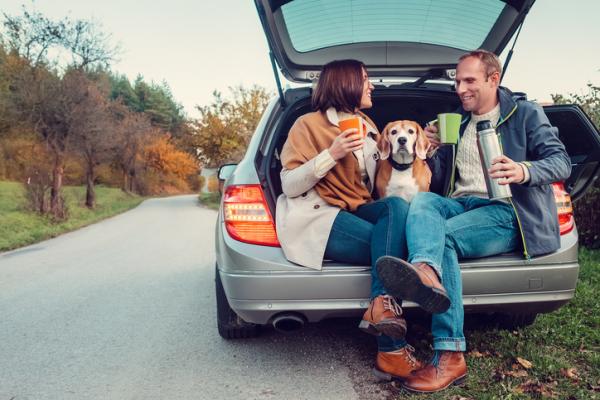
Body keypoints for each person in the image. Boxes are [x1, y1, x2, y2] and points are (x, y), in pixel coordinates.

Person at [375, 49, 571, 393]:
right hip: (461, 204)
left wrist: (524, 170)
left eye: (469, 81)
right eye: (457, 81)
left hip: (507, 210)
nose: (460, 89)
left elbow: (561, 162)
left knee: (443, 239)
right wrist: (431, 151)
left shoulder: (524, 113)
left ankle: (449, 354)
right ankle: (426, 270)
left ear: (493, 79)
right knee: (423, 201)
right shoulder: (458, 121)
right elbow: (440, 178)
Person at [275, 59, 427, 380]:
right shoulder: (307, 125)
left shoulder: (369, 126)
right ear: (346, 84)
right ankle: (391, 349)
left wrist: (424, 149)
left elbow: (380, 180)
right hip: (322, 215)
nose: (371, 85)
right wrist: (332, 153)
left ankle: (379, 308)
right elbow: (289, 184)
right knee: (393, 252)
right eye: (365, 79)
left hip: (358, 209)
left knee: (396, 208)